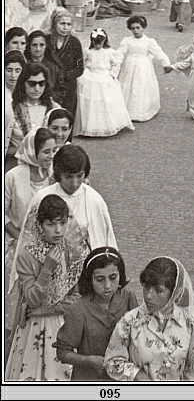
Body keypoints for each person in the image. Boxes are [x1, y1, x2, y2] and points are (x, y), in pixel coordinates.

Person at [5, 193, 88, 381]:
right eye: (51, 224)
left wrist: (41, 310)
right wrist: (47, 269)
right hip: (34, 330)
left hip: (65, 326)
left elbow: (77, 300)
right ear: (40, 225)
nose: (58, 230)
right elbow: (31, 298)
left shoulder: (74, 253)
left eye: (62, 223)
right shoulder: (26, 257)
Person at [104, 256, 194, 382]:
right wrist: (137, 375)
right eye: (146, 287)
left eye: (158, 290)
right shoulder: (130, 321)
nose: (148, 296)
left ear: (175, 293)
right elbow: (112, 362)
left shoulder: (192, 325)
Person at [55, 248, 139, 382]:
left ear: (120, 275)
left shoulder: (128, 298)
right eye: (100, 279)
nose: (107, 285)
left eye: (113, 278)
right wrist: (88, 360)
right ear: (90, 279)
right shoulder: (78, 310)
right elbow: (63, 352)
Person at [4, 127, 56, 333]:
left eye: (53, 151)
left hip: (47, 250)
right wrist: (19, 236)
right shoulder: (13, 176)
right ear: (33, 152)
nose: (50, 156)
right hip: (17, 248)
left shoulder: (53, 175)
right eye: (46, 152)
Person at [23, 144, 117, 252]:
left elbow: (104, 239)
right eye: (68, 177)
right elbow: (29, 239)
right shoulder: (41, 197)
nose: (74, 183)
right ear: (58, 174)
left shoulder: (94, 199)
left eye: (79, 175)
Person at [74, 29, 134, 138]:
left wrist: (112, 75)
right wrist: (84, 73)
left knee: (105, 98)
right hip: (91, 75)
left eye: (100, 43)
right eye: (95, 43)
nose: (97, 45)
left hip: (104, 75)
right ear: (92, 41)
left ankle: (107, 125)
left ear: (104, 41)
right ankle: (90, 126)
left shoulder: (109, 52)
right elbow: (82, 63)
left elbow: (116, 64)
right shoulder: (88, 51)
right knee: (90, 99)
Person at [114, 15, 170, 123]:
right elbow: (119, 54)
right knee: (128, 86)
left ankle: (141, 111)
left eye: (138, 28)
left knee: (141, 87)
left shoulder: (149, 41)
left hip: (144, 66)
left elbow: (158, 53)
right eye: (133, 28)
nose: (135, 31)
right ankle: (127, 111)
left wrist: (166, 64)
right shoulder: (127, 41)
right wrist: (114, 65)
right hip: (129, 65)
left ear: (143, 28)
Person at [6, 61, 60, 168]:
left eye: (41, 83)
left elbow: (61, 142)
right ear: (22, 83)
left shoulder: (54, 109)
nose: (37, 89)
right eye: (32, 83)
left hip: (47, 167)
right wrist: (27, 150)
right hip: (18, 166)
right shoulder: (9, 110)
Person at [45, 8, 84, 120]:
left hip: (68, 88)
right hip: (50, 85)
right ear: (54, 24)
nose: (65, 27)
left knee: (66, 118)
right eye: (62, 23)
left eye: (68, 24)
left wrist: (65, 74)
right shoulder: (47, 41)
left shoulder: (74, 42)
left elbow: (79, 68)